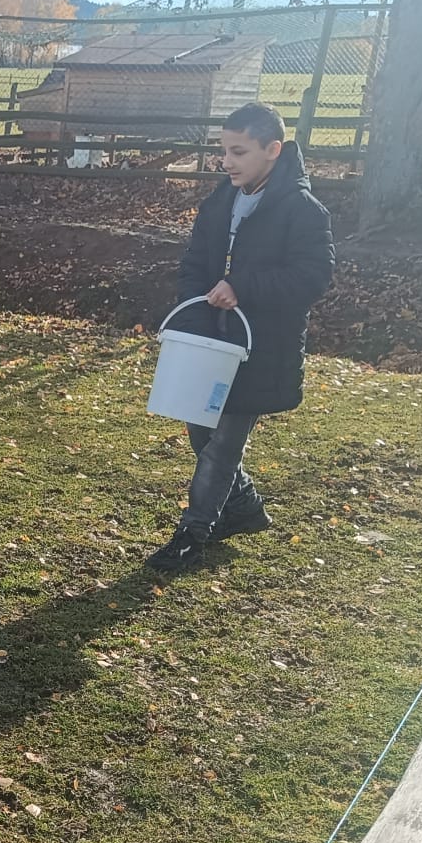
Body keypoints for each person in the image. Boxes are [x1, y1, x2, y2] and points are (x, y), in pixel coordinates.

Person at [146, 101, 335, 575]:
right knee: (200, 429)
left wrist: (242, 287)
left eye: (238, 152)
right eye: (223, 151)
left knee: (224, 443)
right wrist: (196, 309)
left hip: (260, 349)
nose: (226, 162)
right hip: (210, 343)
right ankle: (245, 506)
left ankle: (192, 535)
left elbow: (313, 277)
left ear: (273, 150)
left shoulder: (302, 210)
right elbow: (195, 261)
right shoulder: (220, 201)